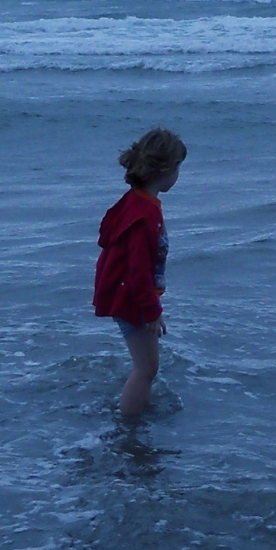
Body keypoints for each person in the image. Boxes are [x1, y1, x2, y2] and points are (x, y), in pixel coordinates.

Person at [94, 127, 186, 418]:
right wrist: (152, 310)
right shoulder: (144, 213)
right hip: (130, 298)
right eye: (179, 167)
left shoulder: (136, 201)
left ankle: (133, 415)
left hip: (128, 294)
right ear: (166, 170)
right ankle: (130, 428)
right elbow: (137, 271)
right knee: (147, 368)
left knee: (146, 365)